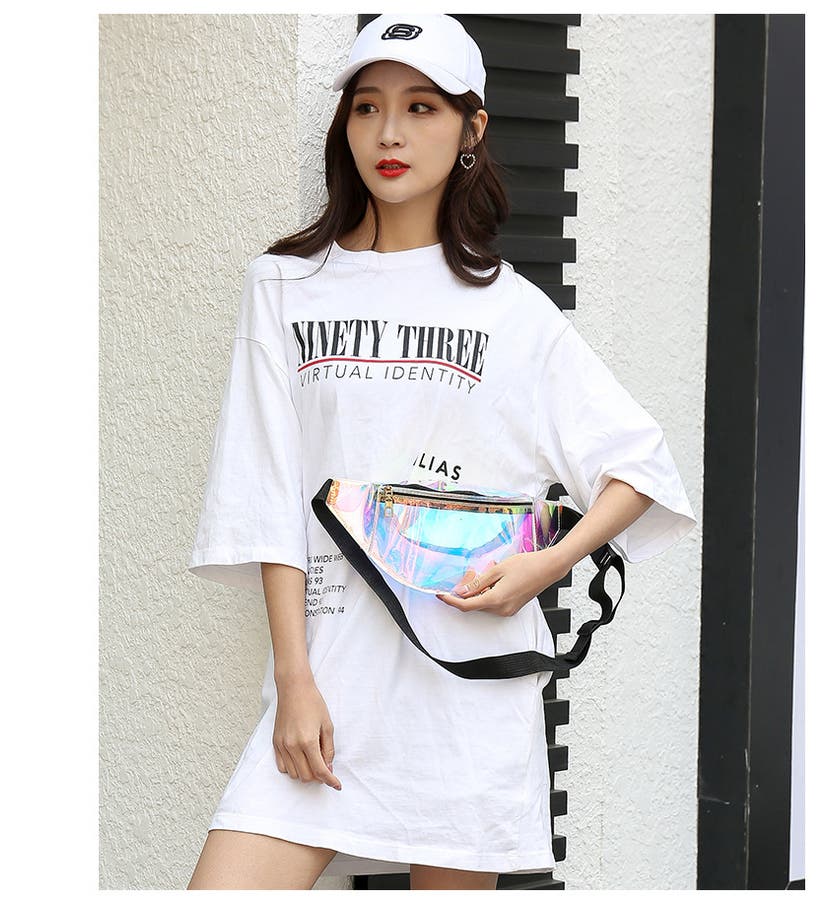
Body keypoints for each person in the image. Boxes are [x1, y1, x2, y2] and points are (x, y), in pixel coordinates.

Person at [185, 12, 697, 891]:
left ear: (472, 129)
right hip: (329, 680)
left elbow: (638, 466)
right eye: (368, 106)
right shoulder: (284, 286)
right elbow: (264, 490)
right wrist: (294, 680)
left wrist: (546, 567)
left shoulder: (512, 310)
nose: (389, 133)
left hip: (466, 696)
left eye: (421, 107)